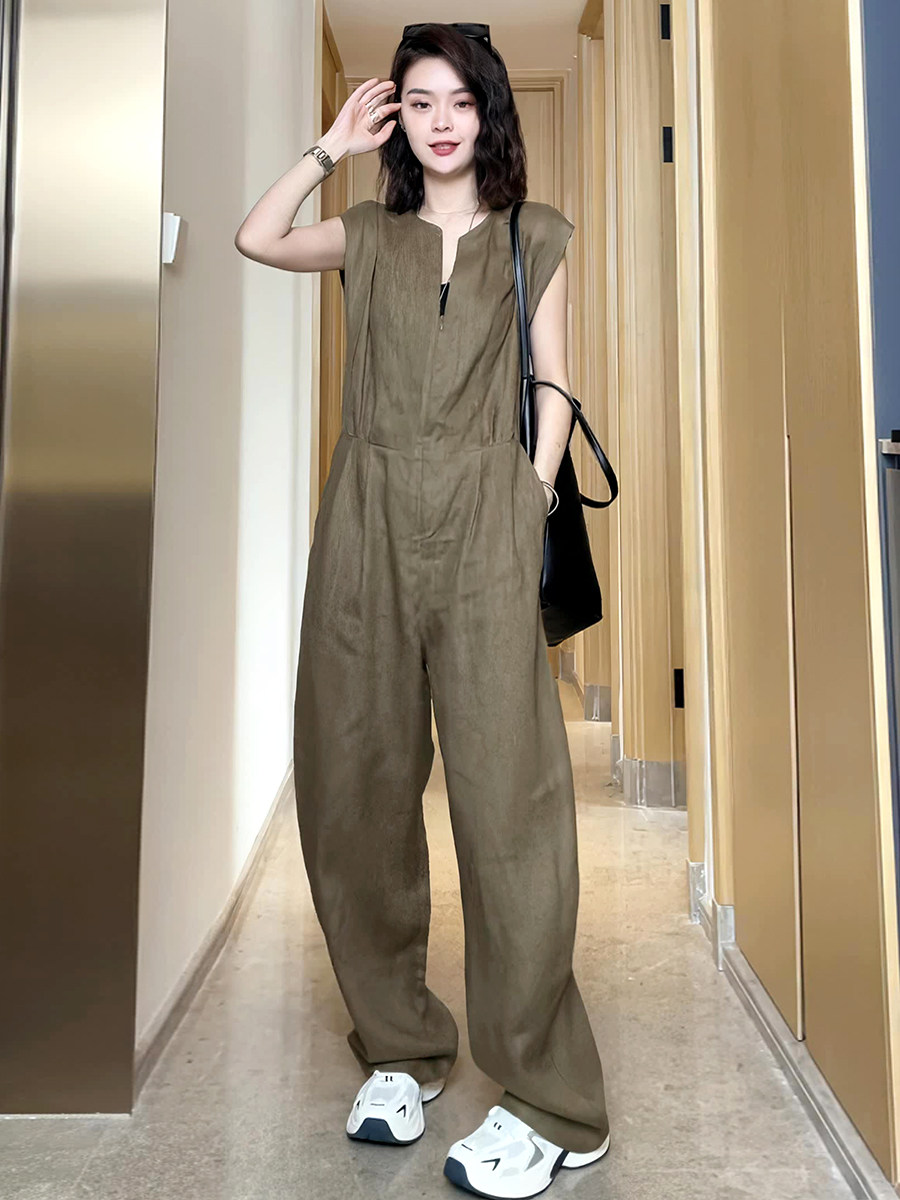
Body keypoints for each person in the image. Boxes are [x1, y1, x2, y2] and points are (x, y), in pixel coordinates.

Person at [234, 21, 610, 1200]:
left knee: (511, 807)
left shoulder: (537, 235)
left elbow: (553, 377)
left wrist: (528, 490)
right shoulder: (366, 231)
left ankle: (554, 1098)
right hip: (367, 521)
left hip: (484, 520)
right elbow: (255, 237)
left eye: (461, 100)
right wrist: (329, 145)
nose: (443, 121)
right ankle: (400, 1048)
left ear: (489, 112)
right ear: (399, 116)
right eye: (420, 101)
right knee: (354, 787)